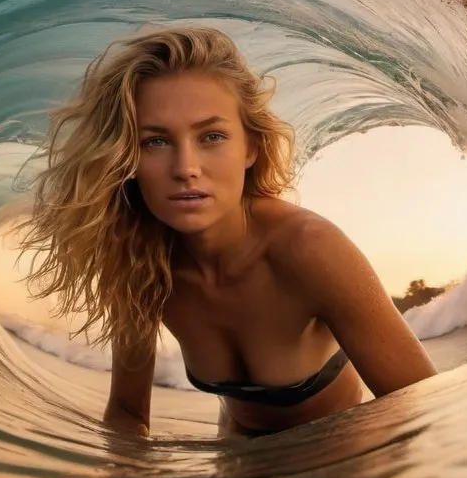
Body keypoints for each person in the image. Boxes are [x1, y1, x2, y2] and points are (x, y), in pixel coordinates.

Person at [22, 26, 437, 437]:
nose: (185, 167)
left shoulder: (310, 248)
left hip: (344, 451)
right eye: (155, 142)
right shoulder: (142, 262)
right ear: (128, 158)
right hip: (237, 457)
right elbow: (128, 416)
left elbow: (422, 406)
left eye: (212, 136)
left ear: (250, 148)